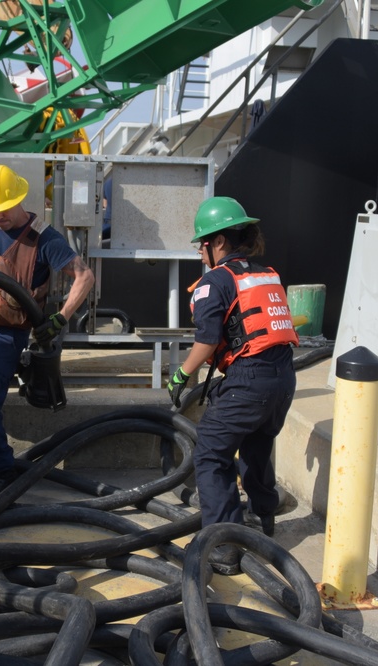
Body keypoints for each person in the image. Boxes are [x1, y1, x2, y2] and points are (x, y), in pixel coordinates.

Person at [0, 164, 95, 496]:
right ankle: (2, 377)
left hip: (7, 334)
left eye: (2, 209)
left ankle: (1, 472)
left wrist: (60, 318)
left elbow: (84, 276)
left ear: (18, 199)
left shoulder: (44, 238)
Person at [167, 196, 298, 575]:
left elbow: (206, 341)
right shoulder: (265, 273)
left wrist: (180, 376)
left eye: (201, 244)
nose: (200, 252)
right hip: (282, 379)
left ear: (218, 242)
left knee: (210, 453)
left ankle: (223, 545)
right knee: (257, 446)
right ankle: (263, 521)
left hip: (248, 381)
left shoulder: (216, 281)